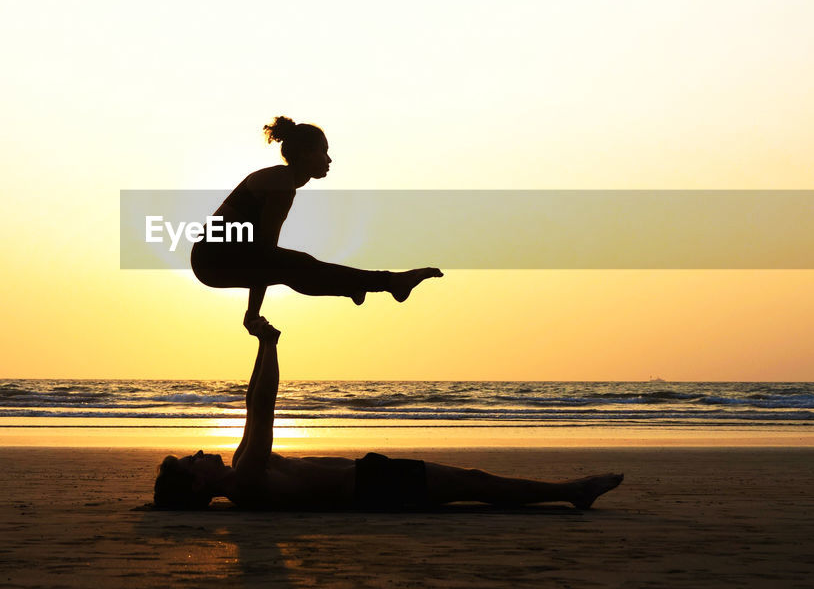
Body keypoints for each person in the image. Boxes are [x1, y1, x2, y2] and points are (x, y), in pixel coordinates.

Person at [153, 321, 625, 511]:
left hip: (371, 477)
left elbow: (254, 402)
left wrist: (261, 345)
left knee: (473, 484)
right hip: (376, 489)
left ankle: (569, 493)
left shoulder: (242, 468)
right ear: (198, 486)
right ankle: (571, 493)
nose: (197, 452)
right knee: (475, 483)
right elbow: (267, 407)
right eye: (190, 462)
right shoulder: (249, 479)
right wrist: (271, 344)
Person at [190, 116, 443, 336]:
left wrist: (252, 313)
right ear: (304, 154)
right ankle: (383, 283)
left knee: (297, 269)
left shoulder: (283, 181)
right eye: (323, 151)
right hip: (213, 258)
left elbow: (265, 261)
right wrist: (252, 313)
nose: (329, 159)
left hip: (223, 259)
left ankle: (365, 285)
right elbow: (266, 257)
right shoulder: (281, 182)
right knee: (299, 266)